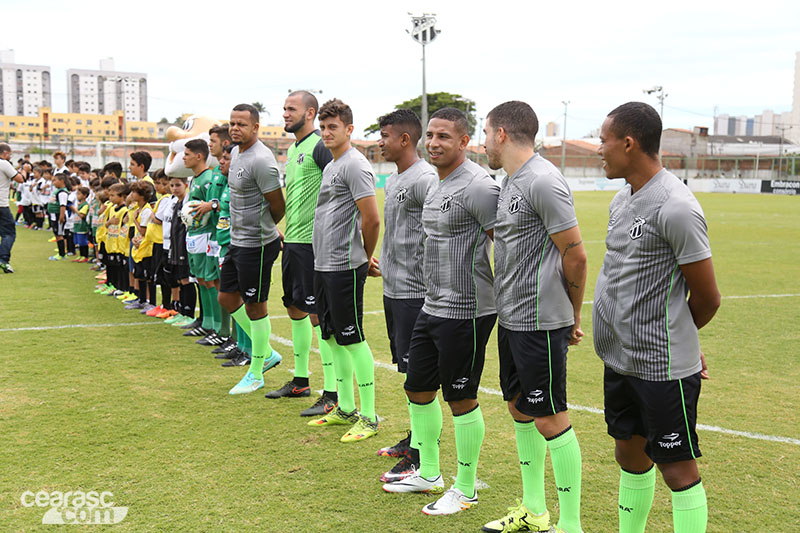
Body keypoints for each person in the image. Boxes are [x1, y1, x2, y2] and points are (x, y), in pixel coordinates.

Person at [594, 102, 721, 533]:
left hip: (662, 366)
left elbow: (707, 297)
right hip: (620, 359)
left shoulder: (677, 206)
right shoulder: (621, 198)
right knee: (629, 456)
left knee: (677, 469)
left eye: (603, 140)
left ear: (628, 143)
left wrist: (681, 339)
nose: (599, 149)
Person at [382, 108, 499, 517]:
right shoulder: (436, 183)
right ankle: (428, 472)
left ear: (465, 142)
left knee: (461, 397)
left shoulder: (480, 186)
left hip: (467, 308)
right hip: (432, 304)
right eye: (430, 135)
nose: (433, 143)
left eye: (444, 137)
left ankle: (465, 489)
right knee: (417, 387)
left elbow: (502, 244)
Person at [480, 101, 586, 533]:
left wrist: (572, 316)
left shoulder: (543, 180)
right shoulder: (509, 181)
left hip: (541, 321)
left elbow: (575, 253)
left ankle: (571, 525)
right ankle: (534, 511)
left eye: (485, 133)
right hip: (513, 318)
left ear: (502, 133)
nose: (482, 142)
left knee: (550, 417)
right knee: (520, 410)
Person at [306, 98, 381, 443]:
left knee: (352, 338)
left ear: (349, 129)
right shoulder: (332, 165)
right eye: (322, 127)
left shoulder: (355, 165)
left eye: (332, 127)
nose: (325, 133)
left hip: (344, 266)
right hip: (323, 264)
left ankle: (369, 416)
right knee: (331, 336)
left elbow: (372, 218)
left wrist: (365, 259)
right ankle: (346, 407)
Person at [372, 109, 438, 482]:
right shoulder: (396, 179)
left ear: (404, 139)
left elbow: (435, 235)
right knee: (408, 372)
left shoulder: (424, 179)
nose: (379, 142)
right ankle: (415, 437)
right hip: (394, 289)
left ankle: (421, 454)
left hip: (417, 293)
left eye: (384, 135)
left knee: (420, 376)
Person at [264, 90, 338, 416]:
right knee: (294, 307)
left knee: (317, 316)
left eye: (290, 109)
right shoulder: (294, 149)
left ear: (310, 113)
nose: (284, 114)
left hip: (313, 244)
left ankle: (333, 392)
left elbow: (339, 188)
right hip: (292, 242)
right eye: (283, 109)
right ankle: (300, 380)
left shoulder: (321, 146)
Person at [220, 103, 285, 395]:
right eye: (232, 123)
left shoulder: (262, 160)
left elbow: (278, 205)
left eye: (241, 124)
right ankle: (267, 352)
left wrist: (263, 229)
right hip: (237, 241)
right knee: (226, 297)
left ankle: (256, 372)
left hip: (257, 245)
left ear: (255, 127)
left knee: (256, 307)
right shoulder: (235, 153)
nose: (235, 128)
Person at [188, 125, 233, 347]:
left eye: (213, 141)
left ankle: (225, 332)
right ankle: (215, 327)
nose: (209, 145)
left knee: (224, 286)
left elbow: (226, 202)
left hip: (222, 236)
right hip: (214, 236)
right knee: (212, 281)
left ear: (225, 143)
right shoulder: (216, 171)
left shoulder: (225, 172)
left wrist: (211, 205)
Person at [181, 139, 220, 340]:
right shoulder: (193, 179)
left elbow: (212, 206)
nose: (183, 158)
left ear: (199, 156)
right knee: (201, 279)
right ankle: (206, 323)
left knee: (209, 281)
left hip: (206, 235)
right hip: (194, 235)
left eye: (186, 154)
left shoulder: (209, 177)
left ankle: (215, 326)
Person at [0, 143, 24, 273]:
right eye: (10, 154)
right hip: (1, 204)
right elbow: (20, 179)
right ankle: (3, 260)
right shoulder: (4, 163)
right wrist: (23, 170)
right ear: (5, 153)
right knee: (8, 233)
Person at [46, 172, 70, 261]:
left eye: (55, 180)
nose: (53, 183)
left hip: (58, 216)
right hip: (53, 215)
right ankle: (61, 253)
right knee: (56, 234)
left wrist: (61, 216)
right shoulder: (57, 191)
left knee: (59, 235)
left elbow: (63, 205)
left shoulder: (62, 192)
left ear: (61, 181)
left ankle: (62, 254)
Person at [69, 186, 91, 262]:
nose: (77, 196)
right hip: (77, 226)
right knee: (78, 242)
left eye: (79, 194)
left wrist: (75, 209)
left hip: (82, 227)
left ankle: (85, 256)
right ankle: (80, 255)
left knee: (83, 242)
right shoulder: (78, 204)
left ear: (84, 195)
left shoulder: (85, 205)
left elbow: (82, 215)